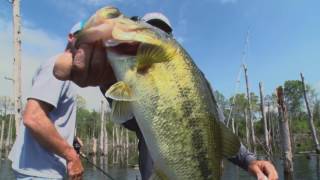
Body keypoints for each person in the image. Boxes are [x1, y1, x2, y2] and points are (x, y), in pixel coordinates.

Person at [54, 8, 278, 180]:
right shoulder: (122, 74)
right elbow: (127, 118)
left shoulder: (195, 80)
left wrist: (250, 161)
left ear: (171, 37)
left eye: (164, 31)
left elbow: (215, 131)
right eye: (151, 27)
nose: (158, 33)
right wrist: (105, 81)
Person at [8, 24, 85, 180]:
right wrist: (72, 156)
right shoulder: (58, 66)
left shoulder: (66, 72)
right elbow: (33, 118)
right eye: (83, 37)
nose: (88, 43)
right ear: (71, 37)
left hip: (41, 172)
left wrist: (70, 138)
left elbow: (47, 116)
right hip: (39, 173)